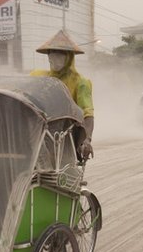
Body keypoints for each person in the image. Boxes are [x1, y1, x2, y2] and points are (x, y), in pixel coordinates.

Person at [30, 30, 95, 160]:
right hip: (38, 134)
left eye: (60, 55)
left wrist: (87, 140)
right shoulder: (38, 77)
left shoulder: (81, 83)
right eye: (52, 54)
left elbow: (88, 114)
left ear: (69, 57)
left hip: (65, 138)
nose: (55, 58)